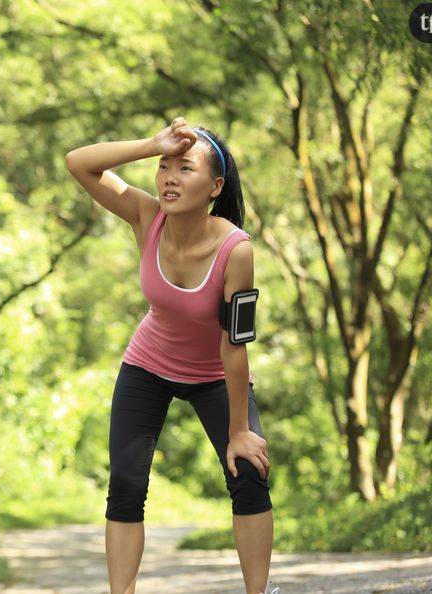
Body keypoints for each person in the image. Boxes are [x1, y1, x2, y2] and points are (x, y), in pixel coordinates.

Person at [66, 117, 276, 594]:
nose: (169, 177)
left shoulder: (235, 250)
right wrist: (148, 145)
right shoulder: (146, 217)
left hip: (215, 375)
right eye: (164, 166)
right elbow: (78, 164)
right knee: (124, 483)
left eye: (185, 167)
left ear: (215, 186)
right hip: (148, 366)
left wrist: (239, 431)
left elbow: (235, 343)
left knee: (247, 474)